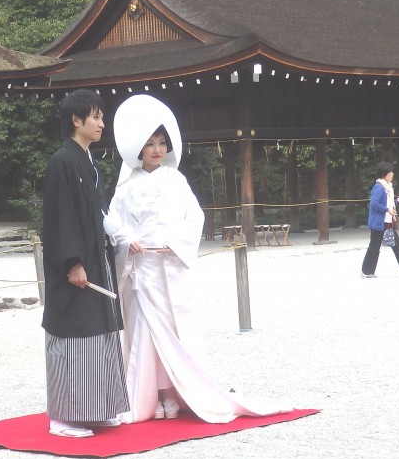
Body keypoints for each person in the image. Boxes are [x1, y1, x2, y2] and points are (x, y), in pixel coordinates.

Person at [104, 94, 291, 423]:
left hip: (170, 265)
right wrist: (126, 240)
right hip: (140, 270)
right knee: (144, 333)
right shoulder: (126, 187)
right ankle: (152, 396)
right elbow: (113, 221)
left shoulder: (177, 181)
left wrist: (175, 243)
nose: (157, 150)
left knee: (174, 331)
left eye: (162, 143)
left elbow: (195, 218)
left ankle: (175, 393)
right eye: (150, 144)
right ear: (138, 148)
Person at [40, 89, 129, 438]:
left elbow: (97, 212)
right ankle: (63, 416)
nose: (101, 123)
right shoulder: (62, 160)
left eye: (101, 117)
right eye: (95, 116)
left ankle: (97, 408)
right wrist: (72, 262)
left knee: (100, 332)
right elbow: (60, 217)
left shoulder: (88, 160)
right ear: (76, 120)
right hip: (75, 265)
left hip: (97, 256)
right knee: (72, 335)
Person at [360, 161, 399, 278]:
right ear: (384, 174)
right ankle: (366, 272)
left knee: (397, 244)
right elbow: (374, 204)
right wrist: (387, 210)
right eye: (390, 172)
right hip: (379, 223)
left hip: (387, 221)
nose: (392, 174)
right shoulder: (379, 187)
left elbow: (389, 204)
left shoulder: (387, 187)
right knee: (374, 247)